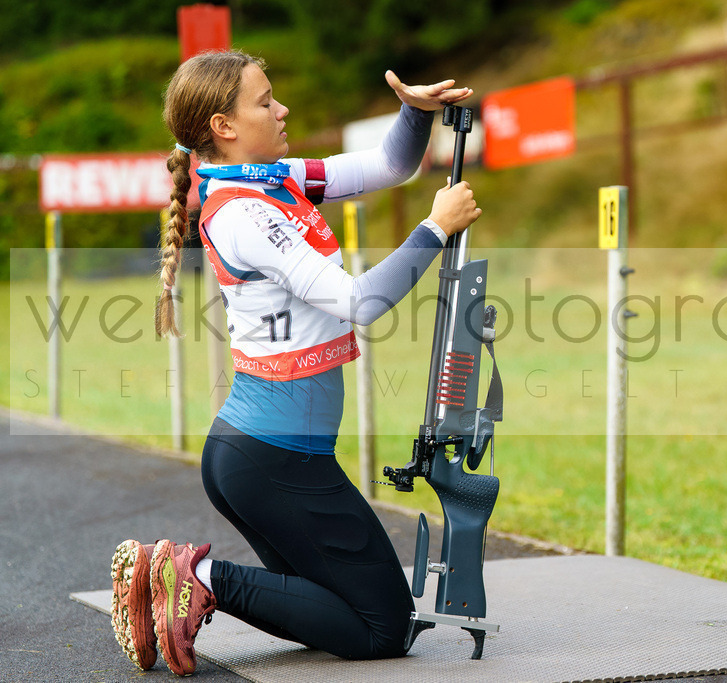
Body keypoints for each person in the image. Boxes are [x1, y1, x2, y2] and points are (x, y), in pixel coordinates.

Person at [109, 50, 480, 676]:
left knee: (332, 609)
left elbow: (391, 165)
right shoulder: (243, 212)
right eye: (264, 102)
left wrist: (414, 113)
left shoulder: (273, 178)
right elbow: (359, 302)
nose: (281, 110)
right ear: (224, 126)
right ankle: (194, 576)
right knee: (386, 627)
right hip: (274, 461)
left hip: (258, 457)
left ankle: (174, 588)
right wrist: (434, 230)